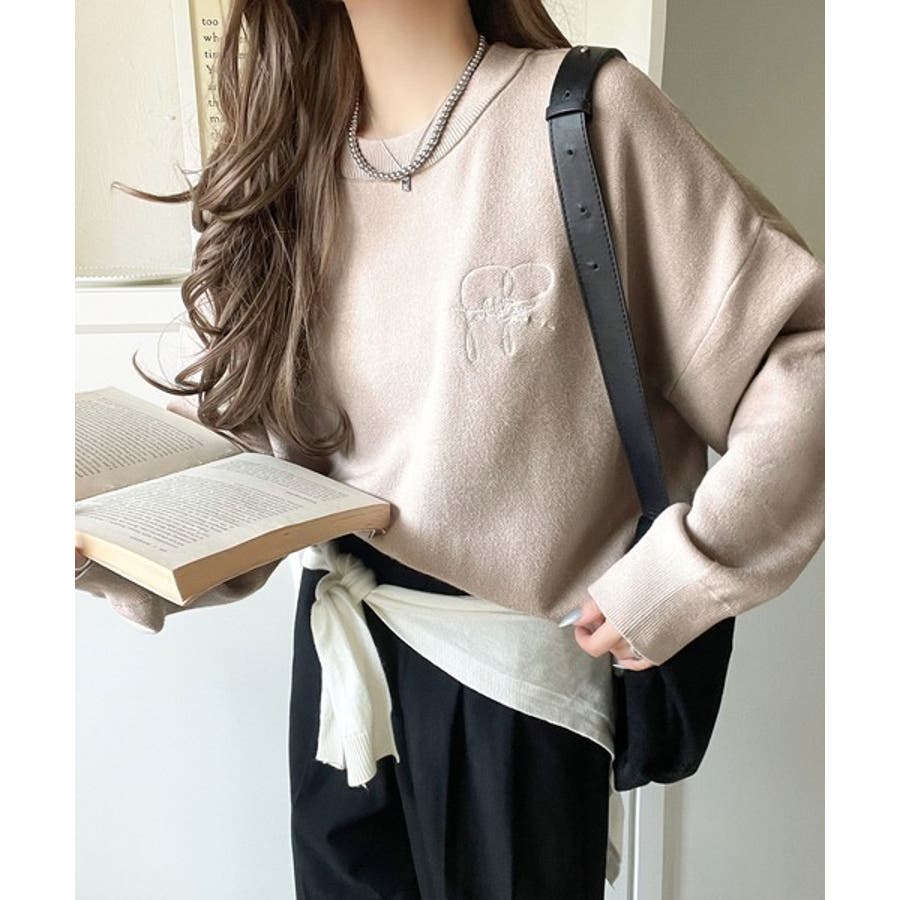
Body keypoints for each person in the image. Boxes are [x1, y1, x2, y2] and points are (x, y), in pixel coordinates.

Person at [74, 1, 825, 897]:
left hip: (511, 692)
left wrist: (682, 570)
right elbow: (259, 450)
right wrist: (104, 541)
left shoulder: (588, 117)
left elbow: (811, 369)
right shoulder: (291, 161)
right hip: (339, 656)